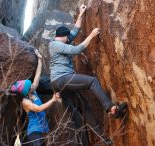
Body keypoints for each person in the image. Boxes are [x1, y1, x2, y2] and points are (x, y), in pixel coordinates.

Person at [49, 4, 127, 145]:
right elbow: (77, 49)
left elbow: (74, 31)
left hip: (61, 85)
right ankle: (111, 108)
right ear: (62, 37)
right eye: (67, 37)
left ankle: (104, 139)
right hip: (61, 80)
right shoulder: (54, 44)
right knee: (92, 82)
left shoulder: (62, 40)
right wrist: (91, 35)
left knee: (85, 108)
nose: (69, 38)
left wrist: (81, 14)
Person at [11, 49, 60, 146]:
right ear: (26, 91)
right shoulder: (25, 102)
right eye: (30, 86)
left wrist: (40, 59)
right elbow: (38, 109)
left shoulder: (33, 91)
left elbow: (37, 75)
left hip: (43, 130)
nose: (32, 86)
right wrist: (53, 100)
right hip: (34, 132)